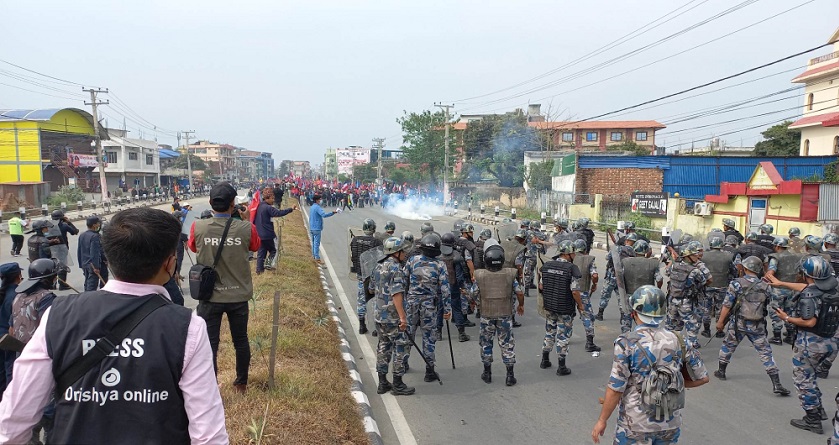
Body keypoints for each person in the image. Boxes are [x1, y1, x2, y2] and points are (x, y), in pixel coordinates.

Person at [0, 207, 228, 444]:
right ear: (170, 264)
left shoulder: (56, 315)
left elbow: (13, 422)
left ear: (108, 260)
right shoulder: (188, 326)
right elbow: (209, 435)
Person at [592, 285, 709, 445]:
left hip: (635, 425)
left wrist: (602, 420)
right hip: (669, 424)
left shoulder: (626, 343)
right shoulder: (679, 340)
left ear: (634, 313)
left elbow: (615, 389)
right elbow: (703, 378)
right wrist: (669, 385)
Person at [188, 182, 260, 393]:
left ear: (210, 203)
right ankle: (241, 384)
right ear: (233, 204)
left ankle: (211, 385)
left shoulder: (198, 227)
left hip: (209, 296)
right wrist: (246, 220)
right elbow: (255, 246)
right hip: (238, 295)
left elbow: (193, 246)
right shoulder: (246, 227)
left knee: (210, 344)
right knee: (241, 340)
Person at [767, 255, 839, 435]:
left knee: (804, 380)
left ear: (806, 273)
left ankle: (812, 420)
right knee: (812, 376)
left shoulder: (808, 296)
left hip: (810, 344)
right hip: (830, 342)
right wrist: (781, 283)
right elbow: (810, 287)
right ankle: (819, 409)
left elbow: (809, 322)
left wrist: (787, 318)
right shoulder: (833, 286)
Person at [714, 256, 791, 397]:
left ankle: (721, 371)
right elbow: (771, 305)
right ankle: (776, 383)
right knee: (765, 353)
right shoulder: (765, 285)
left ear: (745, 268)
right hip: (757, 325)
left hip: (739, 323)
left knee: (728, 346)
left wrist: (720, 322)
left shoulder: (736, 284)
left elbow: (727, 305)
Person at [8, 258, 60, 438]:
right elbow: (53, 329)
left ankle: (32, 436)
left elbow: (12, 327)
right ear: (48, 278)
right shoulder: (47, 299)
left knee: (29, 397)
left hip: (21, 355)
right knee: (48, 403)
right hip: (42, 356)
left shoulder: (18, 297)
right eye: (54, 276)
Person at [404, 234, 451, 383]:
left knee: (408, 335)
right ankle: (429, 370)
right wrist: (447, 309)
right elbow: (445, 289)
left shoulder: (412, 260)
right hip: (429, 306)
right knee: (429, 338)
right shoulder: (440, 265)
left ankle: (403, 363)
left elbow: (403, 279)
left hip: (411, 304)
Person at [475, 244, 524, 386]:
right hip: (505, 316)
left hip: (486, 316)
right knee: (507, 345)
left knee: (486, 344)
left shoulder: (480, 275)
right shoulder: (509, 274)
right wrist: (521, 305)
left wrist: (479, 303)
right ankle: (510, 376)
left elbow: (473, 293)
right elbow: (519, 292)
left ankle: (487, 373)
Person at [373, 237, 414, 396]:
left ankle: (382, 383)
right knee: (401, 347)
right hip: (393, 318)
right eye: (402, 251)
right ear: (395, 253)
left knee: (383, 347)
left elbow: (370, 288)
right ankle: (398, 384)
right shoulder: (396, 269)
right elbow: (397, 294)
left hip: (379, 316)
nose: (404, 253)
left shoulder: (377, 266)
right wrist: (403, 318)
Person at [538, 240, 583, 376]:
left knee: (549, 332)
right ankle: (561, 367)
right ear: (568, 254)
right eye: (573, 252)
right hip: (565, 308)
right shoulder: (572, 269)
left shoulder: (547, 265)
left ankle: (545, 360)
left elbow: (541, 286)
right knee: (563, 336)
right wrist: (580, 305)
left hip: (550, 306)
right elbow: (575, 291)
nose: (574, 255)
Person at [665, 241, 710, 349]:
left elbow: (667, 272)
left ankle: (668, 345)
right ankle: (691, 347)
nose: (697, 256)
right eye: (694, 255)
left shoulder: (674, 266)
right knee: (692, 325)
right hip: (685, 302)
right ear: (688, 257)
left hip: (672, 300)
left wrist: (674, 261)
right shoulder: (694, 271)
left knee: (672, 324)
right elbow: (704, 281)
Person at [766, 237, 804, 345]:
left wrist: (766, 281)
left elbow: (770, 273)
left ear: (777, 246)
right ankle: (790, 335)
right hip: (792, 288)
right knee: (790, 311)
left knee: (776, 311)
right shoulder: (796, 256)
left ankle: (777, 337)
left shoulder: (776, 257)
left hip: (778, 289)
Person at [620, 240, 663, 335]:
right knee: (644, 319)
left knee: (626, 319)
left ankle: (626, 337)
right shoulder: (653, 263)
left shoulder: (625, 262)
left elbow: (620, 279)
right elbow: (659, 279)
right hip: (646, 297)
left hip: (629, 295)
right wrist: (658, 289)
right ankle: (645, 338)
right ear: (647, 251)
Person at [351, 219, 383, 336]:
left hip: (361, 275)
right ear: (374, 229)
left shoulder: (355, 240)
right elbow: (380, 260)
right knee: (376, 302)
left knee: (361, 301)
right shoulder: (377, 242)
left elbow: (353, 257)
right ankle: (376, 328)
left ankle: (362, 325)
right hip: (373, 277)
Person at [254, 188, 297, 274]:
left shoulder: (259, 206)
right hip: (268, 234)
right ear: (267, 198)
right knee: (273, 250)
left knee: (261, 253)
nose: (273, 200)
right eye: (272, 199)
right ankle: (268, 264)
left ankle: (259, 270)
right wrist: (290, 209)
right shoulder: (268, 208)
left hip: (259, 234)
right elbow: (279, 213)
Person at [701, 236, 737, 338]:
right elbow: (734, 271)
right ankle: (719, 330)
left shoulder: (704, 255)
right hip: (723, 285)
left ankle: (706, 330)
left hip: (707, 285)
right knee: (720, 308)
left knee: (706, 308)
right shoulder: (728, 256)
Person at [596, 234, 637, 321]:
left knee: (605, 295)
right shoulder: (633, 252)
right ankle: (623, 316)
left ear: (627, 240)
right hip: (623, 278)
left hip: (611, 276)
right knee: (621, 297)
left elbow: (607, 257)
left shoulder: (617, 248)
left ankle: (600, 313)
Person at [571, 238, 602, 351]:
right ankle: (589, 343)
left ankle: (565, 337)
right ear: (585, 249)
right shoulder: (589, 259)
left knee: (568, 315)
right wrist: (594, 284)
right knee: (587, 316)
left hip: (569, 292)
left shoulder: (570, 257)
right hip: (582, 292)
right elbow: (594, 275)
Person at [439, 233, 471, 342]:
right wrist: (462, 286)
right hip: (453, 286)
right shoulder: (456, 255)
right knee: (457, 309)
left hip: (440, 287)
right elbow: (459, 275)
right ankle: (461, 334)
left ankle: (438, 333)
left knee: (440, 308)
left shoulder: (437, 254)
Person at [0, 263, 22, 396]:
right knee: (10, 369)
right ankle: (10, 398)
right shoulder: (16, 295)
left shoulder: (3, 293)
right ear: (18, 276)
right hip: (8, 339)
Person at [47, 210, 79, 291]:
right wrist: (69, 222)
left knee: (53, 266)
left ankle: (52, 284)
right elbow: (75, 231)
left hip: (51, 248)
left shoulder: (48, 225)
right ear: (62, 217)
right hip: (62, 248)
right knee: (62, 266)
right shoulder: (64, 226)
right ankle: (62, 284)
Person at [78, 216, 107, 292]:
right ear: (94, 225)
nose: (99, 225)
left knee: (87, 283)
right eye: (98, 223)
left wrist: (81, 265)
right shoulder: (95, 236)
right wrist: (96, 267)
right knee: (92, 286)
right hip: (93, 265)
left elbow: (79, 251)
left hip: (85, 264)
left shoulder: (82, 235)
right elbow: (95, 253)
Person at [308, 194, 339, 265]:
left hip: (312, 227)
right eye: (319, 199)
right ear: (317, 200)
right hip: (317, 228)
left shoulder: (312, 207)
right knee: (316, 243)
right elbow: (324, 215)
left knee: (313, 243)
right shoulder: (317, 207)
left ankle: (314, 256)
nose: (320, 201)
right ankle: (317, 258)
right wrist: (333, 212)